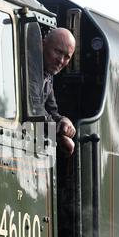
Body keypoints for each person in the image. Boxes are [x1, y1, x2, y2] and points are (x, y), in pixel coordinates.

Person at [42, 28, 76, 157]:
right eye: (57, 52)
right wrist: (59, 133)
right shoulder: (32, 70)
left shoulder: (48, 75)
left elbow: (51, 110)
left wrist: (63, 120)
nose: (61, 61)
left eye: (67, 57)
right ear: (43, 43)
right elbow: (33, 109)